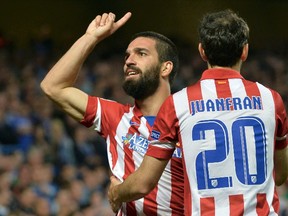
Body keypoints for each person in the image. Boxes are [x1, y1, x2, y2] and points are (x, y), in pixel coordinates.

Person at [108, 9, 288, 215]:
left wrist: (116, 193)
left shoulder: (178, 104)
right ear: (244, 51)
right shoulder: (271, 99)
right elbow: (280, 175)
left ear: (202, 51)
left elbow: (143, 184)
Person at [40, 12, 184, 215]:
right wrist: (91, 38)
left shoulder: (190, 122)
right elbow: (52, 87)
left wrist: (117, 194)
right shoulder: (116, 117)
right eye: (127, 55)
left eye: (141, 54)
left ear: (165, 67)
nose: (129, 61)